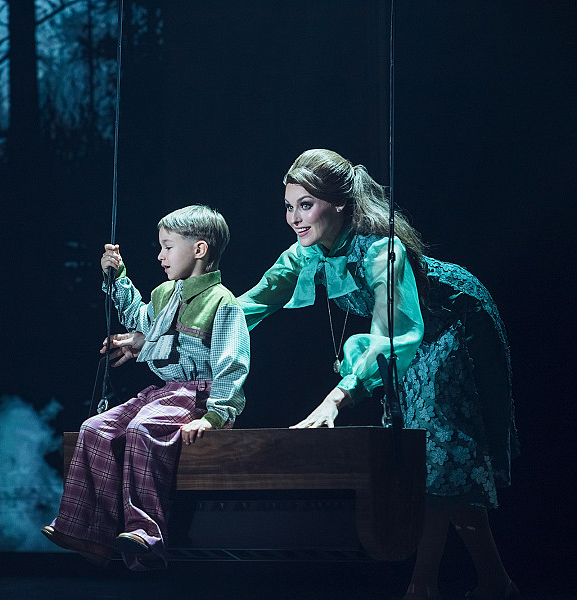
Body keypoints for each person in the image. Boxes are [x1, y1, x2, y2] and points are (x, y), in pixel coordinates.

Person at [237, 149, 519, 600]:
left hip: (452, 324)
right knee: (423, 456)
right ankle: (489, 583)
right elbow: (246, 307)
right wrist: (160, 336)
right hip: (404, 338)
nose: (294, 218)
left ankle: (427, 586)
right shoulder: (305, 254)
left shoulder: (382, 250)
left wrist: (336, 399)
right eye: (288, 207)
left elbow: (395, 335)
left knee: (439, 449)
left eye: (306, 205)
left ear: (339, 204)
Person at [42, 204, 250, 571]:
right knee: (95, 429)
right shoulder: (165, 294)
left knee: (141, 430)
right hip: (165, 393)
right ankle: (88, 532)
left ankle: (146, 531)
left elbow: (231, 365)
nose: (160, 255)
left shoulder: (223, 302)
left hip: (197, 395)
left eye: (168, 246)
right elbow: (140, 322)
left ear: (199, 249)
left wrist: (215, 416)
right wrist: (117, 277)